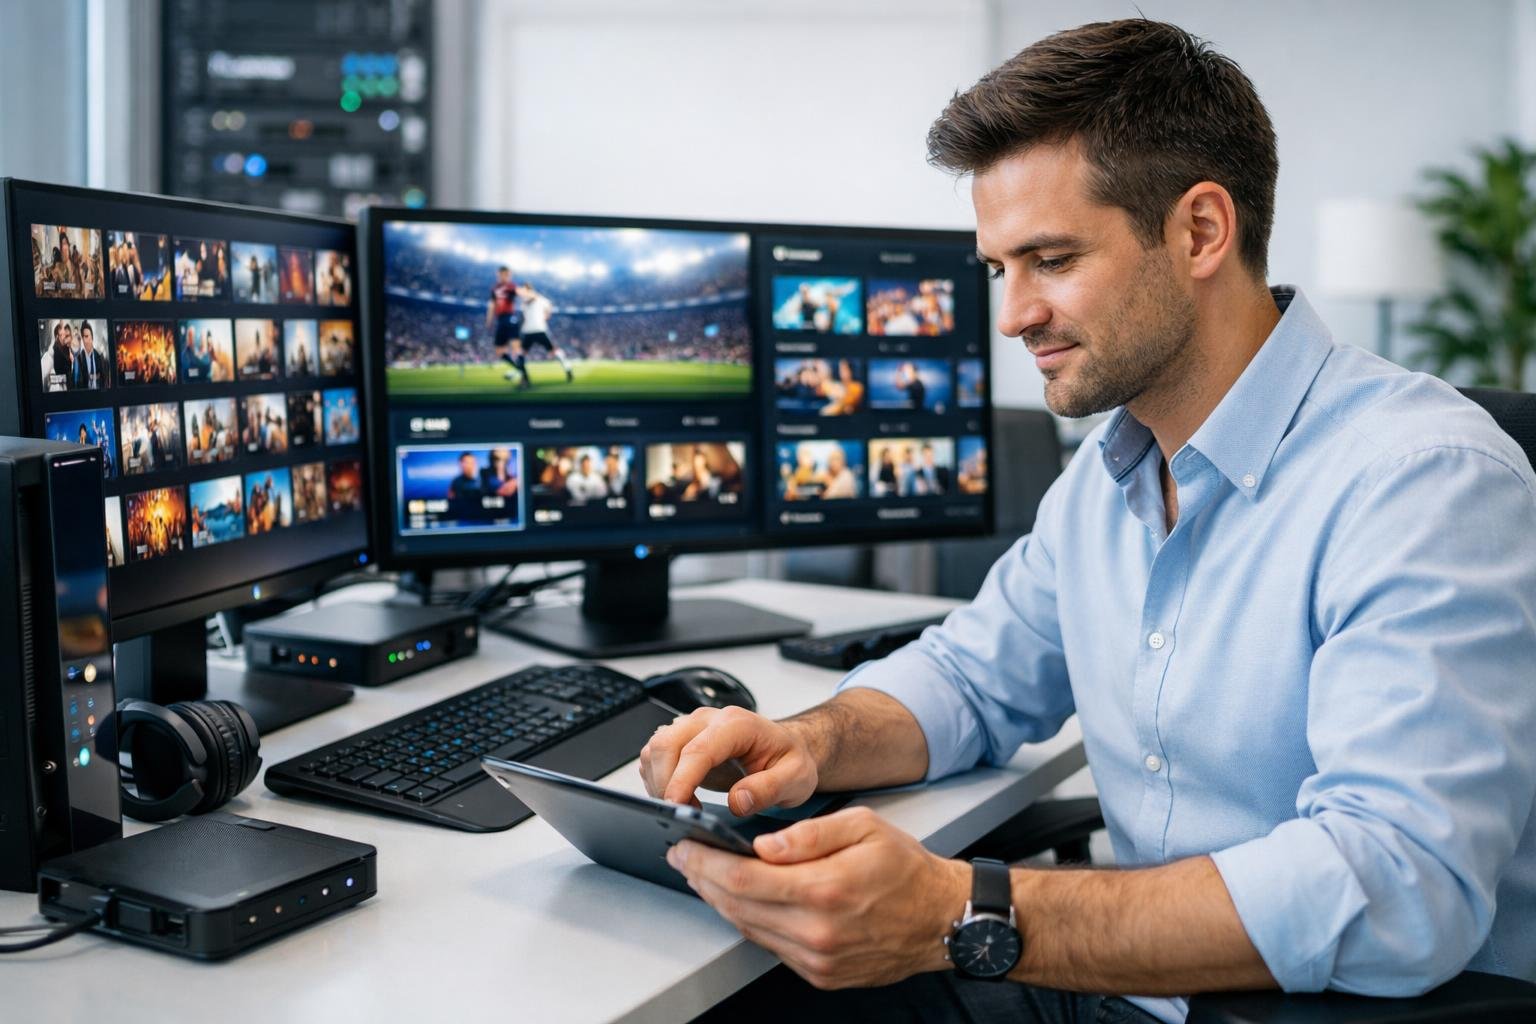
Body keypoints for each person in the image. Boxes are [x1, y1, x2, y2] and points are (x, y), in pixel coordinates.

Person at [643, 20, 1536, 1024]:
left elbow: (1401, 887)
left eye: (1052, 259)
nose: (1015, 313)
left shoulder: (1423, 480)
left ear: (1201, 231)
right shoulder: (1103, 481)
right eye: (999, 270)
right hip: (1124, 987)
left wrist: (959, 909)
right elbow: (971, 679)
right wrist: (806, 742)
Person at [513, 282, 575, 384]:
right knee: (521, 354)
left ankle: (567, 368)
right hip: (527, 331)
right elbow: (525, 315)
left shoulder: (537, 298)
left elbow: (547, 304)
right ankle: (525, 378)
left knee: (553, 351)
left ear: (528, 290)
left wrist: (547, 315)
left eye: (523, 290)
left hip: (539, 329)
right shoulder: (524, 303)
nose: (522, 293)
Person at [484, 265, 524, 386]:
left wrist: (530, 296)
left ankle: (525, 378)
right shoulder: (495, 288)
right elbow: (492, 305)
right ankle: (520, 369)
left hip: (510, 318)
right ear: (499, 274)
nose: (506, 277)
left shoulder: (511, 286)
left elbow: (521, 293)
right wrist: (489, 320)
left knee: (516, 349)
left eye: (508, 275)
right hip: (501, 320)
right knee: (499, 352)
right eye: (503, 274)